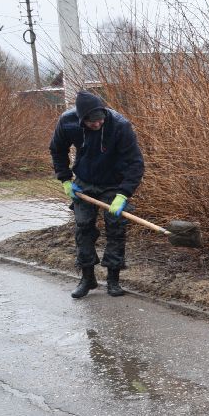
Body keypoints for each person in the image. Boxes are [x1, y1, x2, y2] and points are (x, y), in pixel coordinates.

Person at [50, 89, 146, 299]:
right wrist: (66, 179)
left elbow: (136, 163)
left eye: (100, 119)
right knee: (83, 228)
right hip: (84, 183)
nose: (97, 124)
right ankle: (87, 278)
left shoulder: (120, 126)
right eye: (91, 122)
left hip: (114, 183)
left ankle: (113, 280)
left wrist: (123, 194)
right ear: (81, 118)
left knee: (115, 228)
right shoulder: (67, 122)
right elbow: (57, 150)